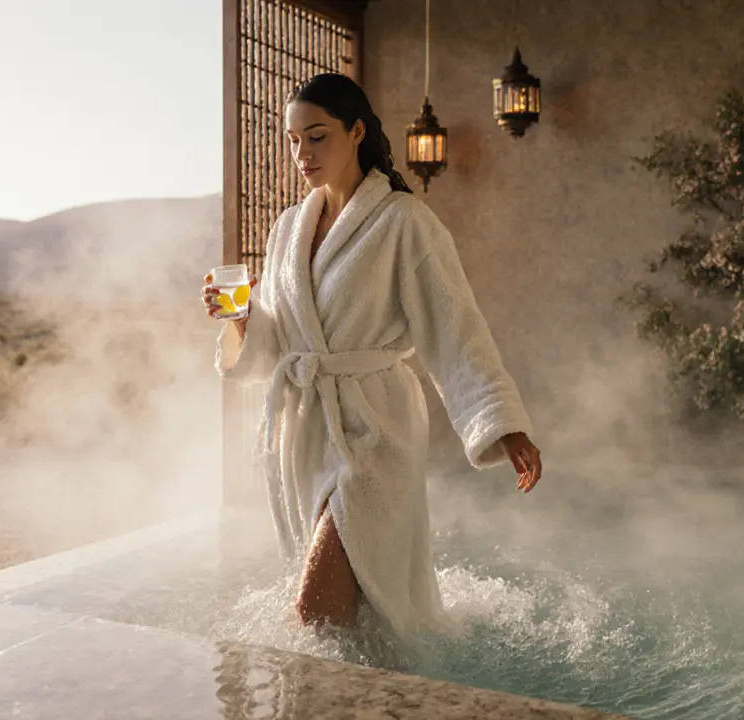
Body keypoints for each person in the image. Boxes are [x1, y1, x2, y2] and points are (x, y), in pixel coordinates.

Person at [202, 73, 542, 640]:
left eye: (317, 136)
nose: (301, 153)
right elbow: (280, 340)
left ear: (356, 131)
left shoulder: (405, 223)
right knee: (348, 617)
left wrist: (502, 423)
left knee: (315, 612)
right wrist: (242, 319)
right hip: (308, 430)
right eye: (292, 140)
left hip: (373, 432)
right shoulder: (288, 228)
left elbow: (454, 327)